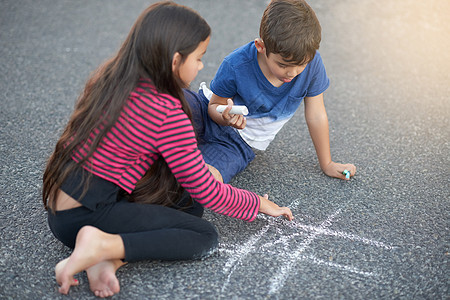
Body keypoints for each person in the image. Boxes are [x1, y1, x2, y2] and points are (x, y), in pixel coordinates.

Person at [42, 2, 293, 298]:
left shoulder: (113, 78)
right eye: (199, 58)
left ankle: (106, 257)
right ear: (175, 60)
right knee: (202, 235)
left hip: (63, 205)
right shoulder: (167, 112)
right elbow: (207, 190)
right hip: (84, 218)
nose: (201, 66)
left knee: (188, 203)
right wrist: (258, 204)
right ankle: (100, 244)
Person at [184, 0, 356, 184]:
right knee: (168, 101)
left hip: (239, 144)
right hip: (206, 112)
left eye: (301, 65)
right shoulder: (236, 64)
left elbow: (316, 115)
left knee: (203, 179)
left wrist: (327, 163)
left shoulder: (312, 64)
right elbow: (213, 106)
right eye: (283, 65)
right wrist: (224, 117)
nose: (292, 72)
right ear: (260, 46)